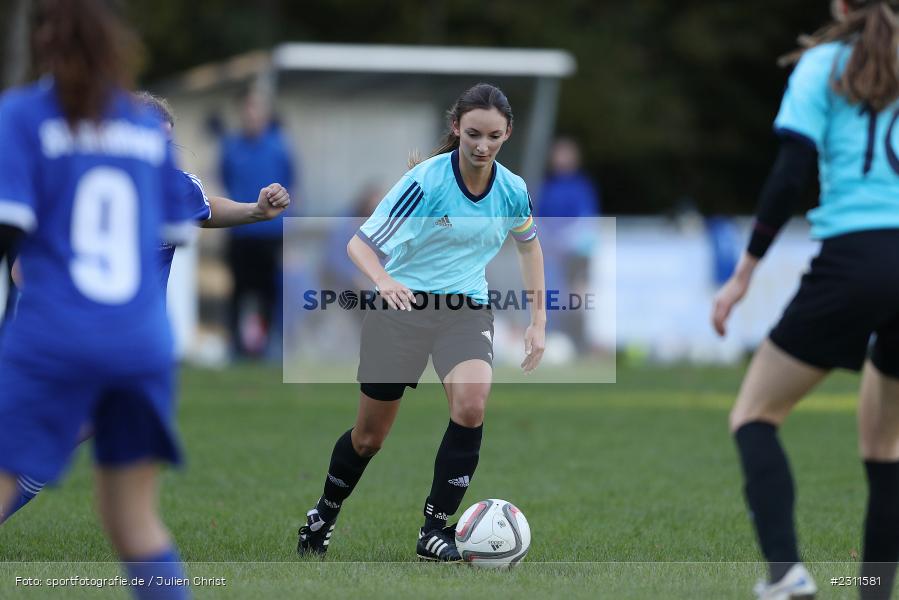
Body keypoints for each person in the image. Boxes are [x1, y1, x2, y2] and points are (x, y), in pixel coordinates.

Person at [0, 91, 290, 524]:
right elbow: (22, 270)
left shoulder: (172, 185)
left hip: (125, 350)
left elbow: (205, 208)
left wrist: (256, 211)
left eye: (165, 142)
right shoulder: (79, 183)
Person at [295, 83, 546, 562]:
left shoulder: (512, 189)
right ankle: (323, 514)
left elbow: (529, 246)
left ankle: (434, 531)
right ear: (456, 128)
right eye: (473, 134)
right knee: (369, 438)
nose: (483, 145)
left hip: (465, 310)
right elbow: (359, 245)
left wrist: (539, 321)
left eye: (493, 136)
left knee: (471, 405)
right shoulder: (426, 182)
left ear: (508, 133)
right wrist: (384, 281)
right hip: (402, 309)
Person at [0, 0, 194, 597]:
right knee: (135, 524)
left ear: (44, 43)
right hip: (140, 341)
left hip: (56, 332)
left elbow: (9, 231)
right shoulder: (144, 129)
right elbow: (171, 229)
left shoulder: (24, 115)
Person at [712, 1, 899, 598]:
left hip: (856, 260)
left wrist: (743, 273)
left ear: (841, 5)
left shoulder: (823, 63)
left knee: (755, 415)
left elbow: (791, 174)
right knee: (886, 447)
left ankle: (786, 574)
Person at [219, 87, 296, 358]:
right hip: (240, 232)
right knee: (238, 290)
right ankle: (236, 348)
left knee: (270, 291)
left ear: (265, 114)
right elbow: (225, 179)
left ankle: (268, 347)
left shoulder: (279, 147)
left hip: (271, 234)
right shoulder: (231, 147)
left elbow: (292, 184)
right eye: (248, 109)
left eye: (256, 109)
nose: (251, 114)